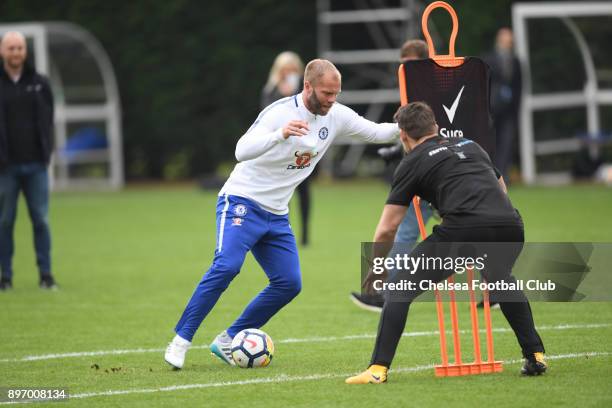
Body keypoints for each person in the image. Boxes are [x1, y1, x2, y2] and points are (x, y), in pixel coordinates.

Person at [165, 59, 400, 369]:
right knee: (227, 266)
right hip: (242, 201)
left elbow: (378, 133)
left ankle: (228, 338)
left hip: (276, 214)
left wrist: (410, 125)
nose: (332, 100)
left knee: (289, 283)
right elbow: (241, 151)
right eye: (327, 93)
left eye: (336, 93)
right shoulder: (279, 113)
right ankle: (181, 340)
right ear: (308, 87)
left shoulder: (337, 114)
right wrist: (279, 135)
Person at [345, 102, 546, 384]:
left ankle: (377, 370)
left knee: (399, 288)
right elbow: (501, 189)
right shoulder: (471, 144)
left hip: (464, 230)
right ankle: (535, 355)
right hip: (510, 226)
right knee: (502, 280)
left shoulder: (411, 161)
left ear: (403, 135)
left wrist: (378, 266)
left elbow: (388, 227)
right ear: (436, 127)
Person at [350, 39, 436, 312]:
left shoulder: (432, 93)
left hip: (434, 175)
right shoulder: (422, 91)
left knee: (403, 232)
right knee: (469, 232)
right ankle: (497, 287)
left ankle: (384, 293)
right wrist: (395, 149)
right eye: (403, 66)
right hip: (436, 174)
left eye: (410, 66)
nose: (405, 72)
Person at [0, 31, 56, 291]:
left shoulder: (40, 82)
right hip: (5, 168)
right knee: (5, 221)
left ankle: (45, 275)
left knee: (41, 220)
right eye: (11, 48)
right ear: (2, 51)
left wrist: (47, 151)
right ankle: (6, 276)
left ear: (26, 51)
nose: (15, 52)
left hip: (36, 165)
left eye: (19, 48)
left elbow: (49, 119)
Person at [261, 51, 312, 246]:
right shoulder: (271, 90)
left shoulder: (304, 90)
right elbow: (266, 116)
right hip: (281, 150)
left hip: (303, 148)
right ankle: (283, 231)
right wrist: (281, 94)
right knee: (283, 192)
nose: (289, 72)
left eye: (293, 69)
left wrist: (293, 92)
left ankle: (305, 234)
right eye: (285, 69)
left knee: (304, 192)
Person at [482, 27, 521, 183]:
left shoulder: (516, 61)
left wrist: (516, 107)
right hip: (492, 109)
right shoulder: (489, 59)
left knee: (507, 141)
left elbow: (519, 86)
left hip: (509, 110)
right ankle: (491, 175)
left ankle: (504, 176)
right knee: (492, 142)